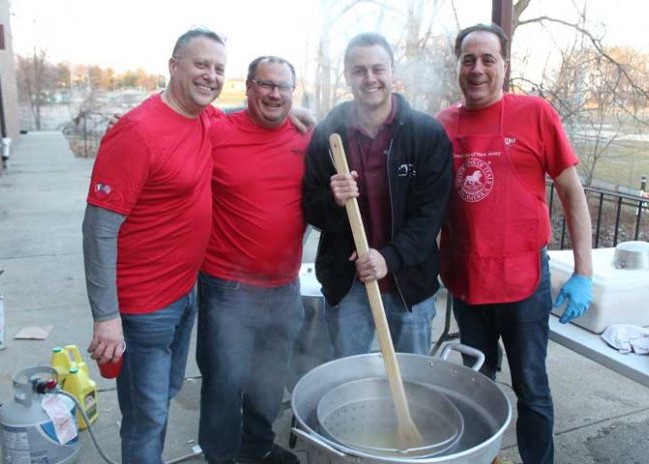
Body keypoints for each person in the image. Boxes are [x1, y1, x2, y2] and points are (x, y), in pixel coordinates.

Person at [436, 23, 593, 464]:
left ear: (505, 65)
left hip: (524, 280)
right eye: (468, 59)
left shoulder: (536, 113)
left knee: (532, 386)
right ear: (458, 66)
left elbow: (571, 192)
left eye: (488, 59)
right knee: (476, 381)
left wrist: (583, 271)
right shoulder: (442, 125)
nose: (477, 69)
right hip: (466, 279)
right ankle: (482, 457)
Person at [82, 28, 227, 464]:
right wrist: (106, 318)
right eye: (201, 64)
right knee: (146, 417)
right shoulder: (137, 132)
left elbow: (241, 113)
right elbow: (98, 231)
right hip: (143, 309)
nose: (211, 75)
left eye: (219, 68)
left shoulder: (205, 118)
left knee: (163, 395)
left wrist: (295, 111)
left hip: (185, 293)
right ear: (173, 65)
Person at [303, 32, 453, 359]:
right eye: (359, 70)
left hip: (409, 285)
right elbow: (311, 208)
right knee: (349, 376)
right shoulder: (328, 133)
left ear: (392, 71)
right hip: (348, 286)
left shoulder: (426, 133)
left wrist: (389, 257)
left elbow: (431, 215)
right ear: (347, 75)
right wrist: (333, 201)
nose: (370, 78)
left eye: (378, 68)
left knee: (411, 378)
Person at [196, 56, 311, 464]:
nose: (274, 94)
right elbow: (175, 114)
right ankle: (220, 457)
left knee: (270, 378)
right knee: (224, 383)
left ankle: (257, 448)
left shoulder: (307, 136)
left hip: (284, 285)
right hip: (227, 287)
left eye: (283, 87)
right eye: (265, 84)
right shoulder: (216, 131)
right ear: (248, 87)